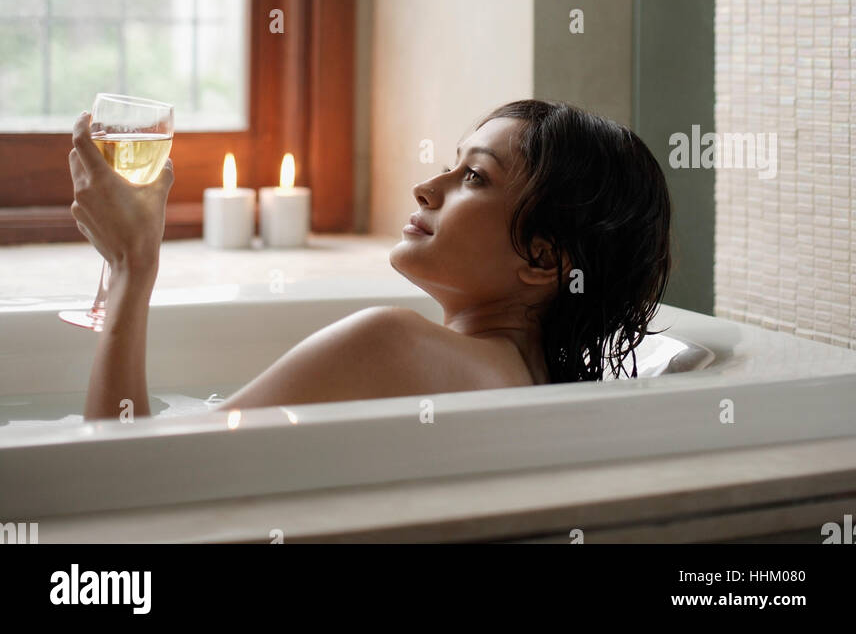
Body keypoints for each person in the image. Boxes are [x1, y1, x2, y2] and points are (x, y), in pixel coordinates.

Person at [68, 98, 672, 422]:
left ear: (542, 260)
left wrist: (131, 264)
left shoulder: (393, 344)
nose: (428, 187)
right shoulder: (537, 387)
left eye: (475, 177)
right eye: (451, 163)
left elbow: (123, 470)